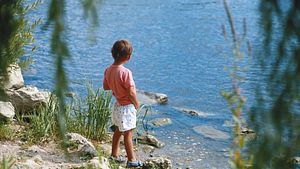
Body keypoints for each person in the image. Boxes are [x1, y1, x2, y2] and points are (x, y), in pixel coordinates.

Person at [103, 39, 143, 168]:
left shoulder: (108, 70)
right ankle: (131, 160)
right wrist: (136, 103)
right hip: (126, 107)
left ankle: (114, 155)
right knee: (128, 134)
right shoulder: (126, 72)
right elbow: (131, 92)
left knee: (118, 131)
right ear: (129, 57)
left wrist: (116, 85)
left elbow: (106, 87)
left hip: (117, 106)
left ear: (112, 54)